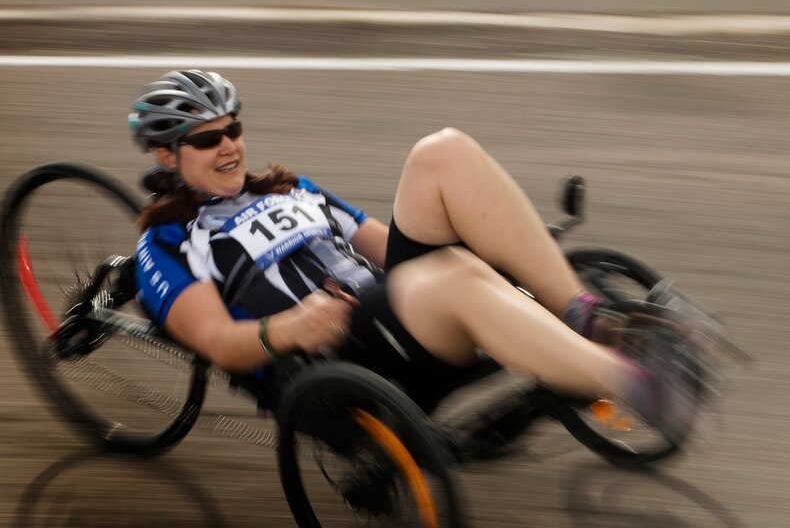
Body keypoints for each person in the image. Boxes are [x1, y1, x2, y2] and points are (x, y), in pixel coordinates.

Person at [130, 69, 694, 439]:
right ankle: (635, 383)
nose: (228, 145)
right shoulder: (168, 242)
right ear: (167, 154)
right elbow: (216, 343)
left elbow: (379, 240)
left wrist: (494, 240)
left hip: (397, 308)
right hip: (341, 358)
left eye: (233, 129)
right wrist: (288, 328)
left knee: (442, 152)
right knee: (453, 272)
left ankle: (585, 314)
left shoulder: (288, 188)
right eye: (207, 138)